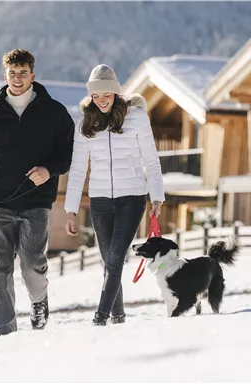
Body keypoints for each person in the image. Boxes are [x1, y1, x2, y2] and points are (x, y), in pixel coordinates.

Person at [0, 49, 75, 335]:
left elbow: (69, 154)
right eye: (12, 73)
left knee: (32, 264)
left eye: (23, 73)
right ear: (4, 75)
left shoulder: (55, 112)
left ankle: (38, 300)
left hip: (37, 203)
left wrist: (49, 170)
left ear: (32, 75)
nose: (17, 78)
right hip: (0, 203)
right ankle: (5, 332)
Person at [64, 64, 164, 326]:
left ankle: (100, 317)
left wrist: (157, 196)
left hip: (132, 198)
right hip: (99, 202)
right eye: (95, 96)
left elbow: (151, 160)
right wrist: (71, 210)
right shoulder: (86, 122)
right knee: (109, 262)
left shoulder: (137, 117)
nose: (101, 100)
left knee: (116, 258)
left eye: (106, 94)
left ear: (116, 92)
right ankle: (118, 317)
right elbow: (76, 169)